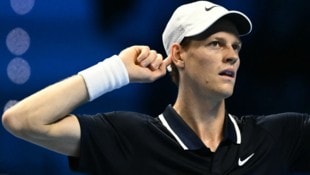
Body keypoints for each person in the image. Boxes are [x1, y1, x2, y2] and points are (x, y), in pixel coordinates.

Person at [2, 1, 310, 174]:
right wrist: (115, 71)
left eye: (235, 46)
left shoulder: (277, 135)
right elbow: (21, 120)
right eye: (216, 44)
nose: (232, 55)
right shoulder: (130, 137)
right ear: (178, 55)